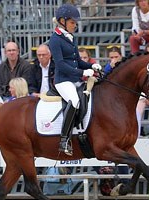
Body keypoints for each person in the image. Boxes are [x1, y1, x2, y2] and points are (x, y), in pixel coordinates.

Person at [49, 4, 102, 156]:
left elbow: (77, 61)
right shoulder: (55, 39)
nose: (75, 25)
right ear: (62, 21)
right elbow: (60, 65)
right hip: (63, 80)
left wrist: (92, 65)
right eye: (72, 22)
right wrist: (82, 71)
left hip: (74, 78)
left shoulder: (71, 38)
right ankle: (64, 139)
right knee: (75, 100)